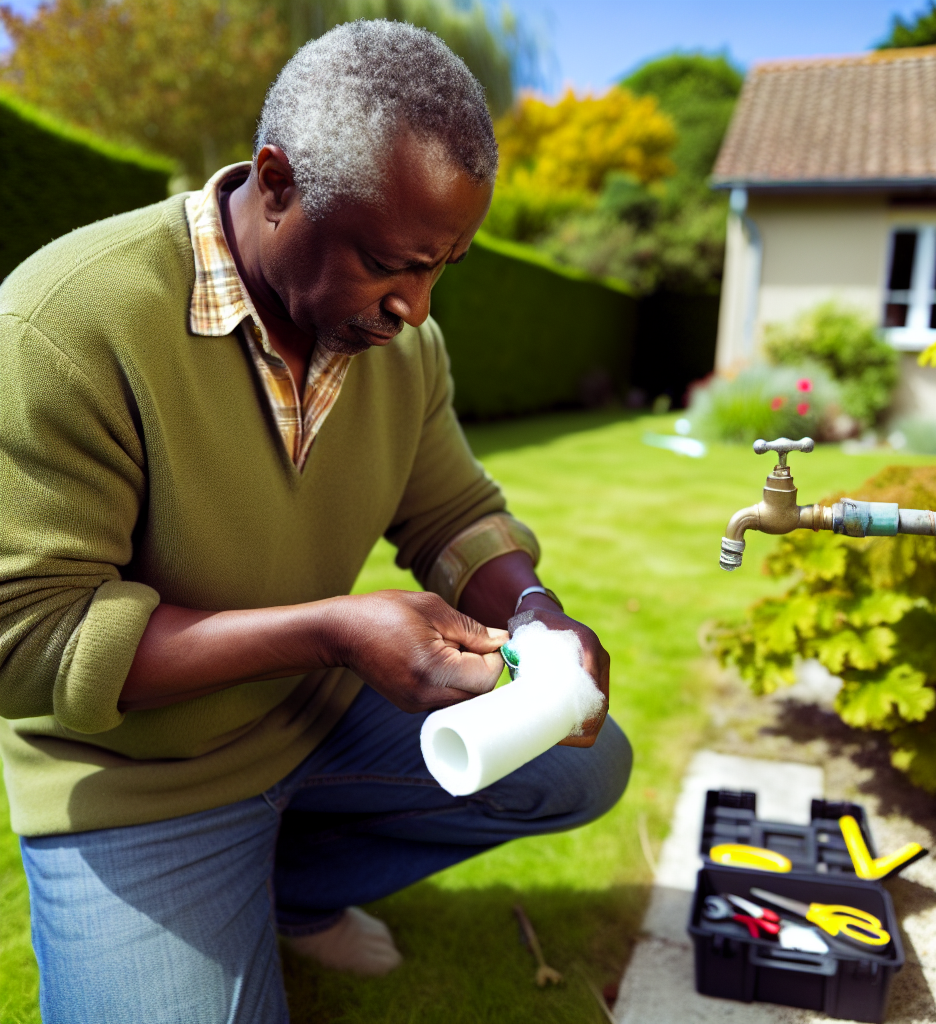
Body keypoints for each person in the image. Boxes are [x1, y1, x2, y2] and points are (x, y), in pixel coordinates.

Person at [0, 19, 632, 1024]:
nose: (416, 309)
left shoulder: (399, 348)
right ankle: (228, 875)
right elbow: (28, 641)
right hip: (135, 777)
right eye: (392, 263)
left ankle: (290, 889)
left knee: (580, 758)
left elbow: (456, 512)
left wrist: (538, 612)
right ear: (279, 182)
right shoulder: (68, 326)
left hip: (308, 714)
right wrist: (331, 628)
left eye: (443, 268)